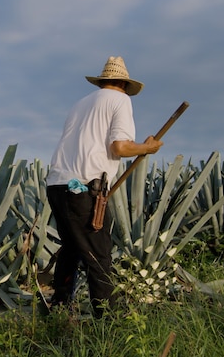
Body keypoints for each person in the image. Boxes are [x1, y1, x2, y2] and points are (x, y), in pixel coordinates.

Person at [46, 56, 163, 318]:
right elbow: (120, 147)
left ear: (103, 81)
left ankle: (60, 309)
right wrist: (148, 148)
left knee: (72, 248)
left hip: (56, 184)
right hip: (85, 187)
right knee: (98, 256)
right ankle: (107, 322)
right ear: (123, 83)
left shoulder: (80, 104)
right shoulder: (120, 100)